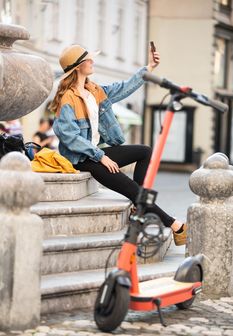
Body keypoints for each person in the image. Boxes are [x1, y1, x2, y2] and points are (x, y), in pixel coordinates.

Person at [49, 44, 187, 246]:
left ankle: (137, 209)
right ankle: (176, 225)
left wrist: (149, 68)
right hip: (81, 159)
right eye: (88, 59)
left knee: (144, 152)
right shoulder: (67, 99)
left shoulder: (95, 91)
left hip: (95, 154)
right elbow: (70, 137)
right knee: (131, 187)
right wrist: (101, 156)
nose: (92, 61)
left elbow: (125, 87)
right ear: (78, 67)